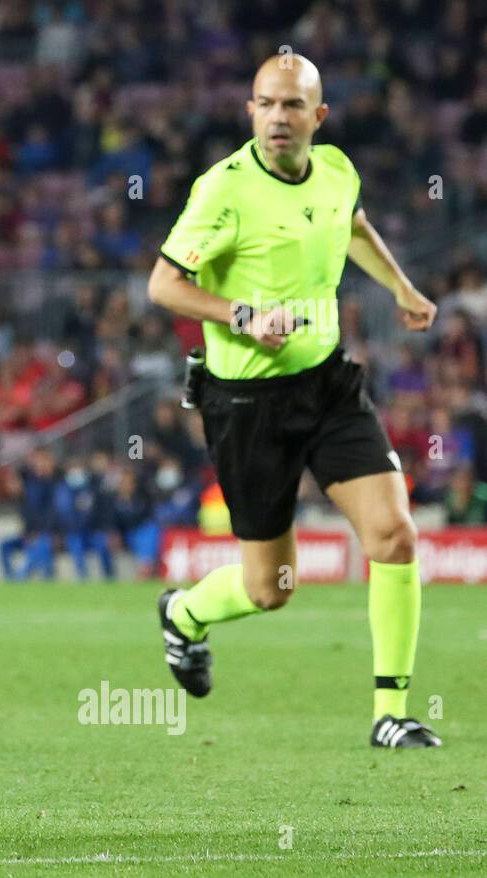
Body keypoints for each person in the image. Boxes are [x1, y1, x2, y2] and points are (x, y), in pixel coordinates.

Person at [147, 54, 441, 748]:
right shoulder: (222, 189)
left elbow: (353, 226)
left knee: (395, 535)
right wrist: (243, 316)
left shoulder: (336, 170)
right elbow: (163, 285)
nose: (278, 117)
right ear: (251, 111)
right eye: (265, 104)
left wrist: (400, 287)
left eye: (291, 105)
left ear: (319, 116)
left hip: (327, 383)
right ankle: (184, 613)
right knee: (271, 587)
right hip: (248, 404)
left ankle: (389, 711)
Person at [0, 447, 58, 581]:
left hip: (50, 534)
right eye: (37, 461)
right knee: (3, 545)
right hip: (30, 533)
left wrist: (41, 533)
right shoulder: (30, 483)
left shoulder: (56, 484)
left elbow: (54, 515)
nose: (40, 464)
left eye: (43, 461)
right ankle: (10, 578)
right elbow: (28, 513)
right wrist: (28, 533)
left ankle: (20, 578)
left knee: (41, 546)